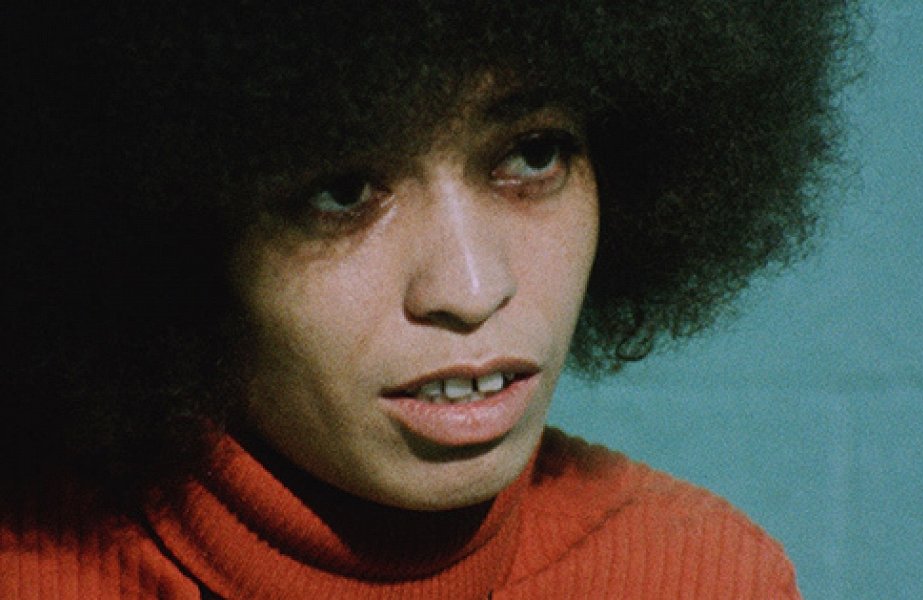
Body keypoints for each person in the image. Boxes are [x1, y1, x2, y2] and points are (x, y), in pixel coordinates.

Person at [2, 1, 856, 597]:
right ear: (167, 235)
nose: (473, 289)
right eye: (342, 190)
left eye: (533, 154)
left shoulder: (696, 577)